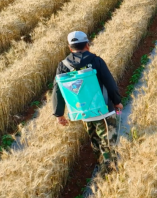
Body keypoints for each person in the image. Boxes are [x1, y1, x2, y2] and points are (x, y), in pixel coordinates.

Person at [53, 31, 123, 175]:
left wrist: (59, 114)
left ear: (70, 47)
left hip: (83, 113)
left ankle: (101, 166)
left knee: (95, 140)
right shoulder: (96, 61)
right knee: (108, 142)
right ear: (87, 45)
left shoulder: (63, 65)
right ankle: (111, 171)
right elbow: (110, 83)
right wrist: (117, 102)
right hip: (104, 110)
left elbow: (57, 90)